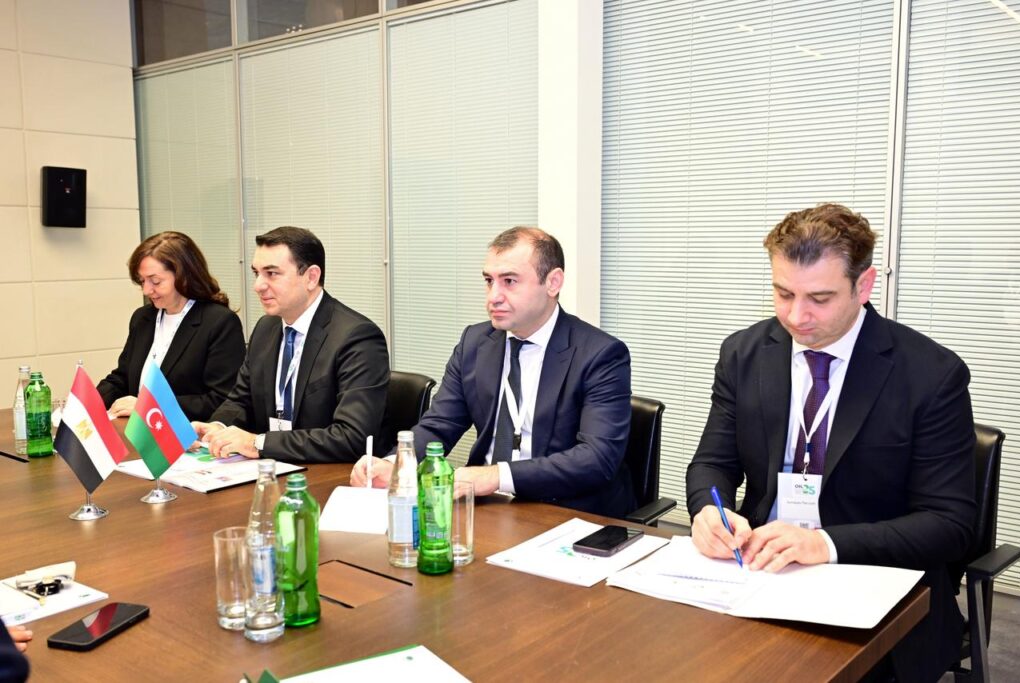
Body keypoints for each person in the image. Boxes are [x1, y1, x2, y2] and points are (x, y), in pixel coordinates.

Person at [686, 203, 975, 682]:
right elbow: (711, 462)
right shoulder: (744, 353)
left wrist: (824, 543)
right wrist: (708, 511)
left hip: (875, 589)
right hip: (761, 571)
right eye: (783, 293)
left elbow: (949, 524)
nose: (796, 316)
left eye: (820, 298)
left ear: (864, 285)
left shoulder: (930, 375)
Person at [351, 227, 635, 517]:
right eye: (489, 281)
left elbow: (596, 458)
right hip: (487, 509)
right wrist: (397, 465)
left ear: (552, 283)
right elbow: (439, 425)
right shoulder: (475, 343)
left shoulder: (600, 354)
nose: (493, 297)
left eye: (509, 281)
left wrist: (496, 476)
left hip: (565, 511)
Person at [194, 226, 389, 464]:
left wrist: (258, 443)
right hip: (274, 468)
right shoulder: (266, 328)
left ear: (311, 277)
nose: (258, 285)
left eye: (272, 273)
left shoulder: (356, 337)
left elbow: (351, 437)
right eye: (256, 273)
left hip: (329, 474)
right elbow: (241, 400)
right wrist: (218, 428)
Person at [97, 231, 246, 422]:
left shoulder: (219, 322)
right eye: (142, 281)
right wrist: (88, 403)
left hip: (189, 434)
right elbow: (122, 378)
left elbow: (220, 400)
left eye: (155, 281)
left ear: (184, 275)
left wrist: (148, 406)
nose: (146, 290)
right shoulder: (142, 318)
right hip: (138, 430)